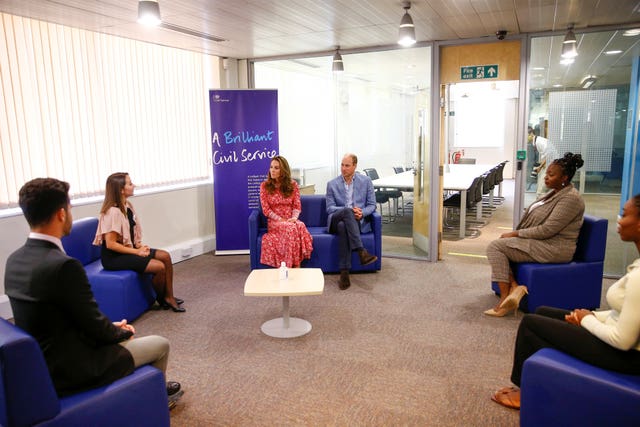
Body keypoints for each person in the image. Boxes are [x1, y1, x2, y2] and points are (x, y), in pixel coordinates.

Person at [4, 178, 182, 406]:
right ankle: (153, 401)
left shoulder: (14, 260)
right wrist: (120, 332)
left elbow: (58, 317)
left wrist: (111, 328)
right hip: (71, 368)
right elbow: (94, 325)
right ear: (61, 214)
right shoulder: (64, 266)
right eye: (69, 207)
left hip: (40, 362)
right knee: (159, 344)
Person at [491, 194, 640, 410]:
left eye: (625, 215)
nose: (619, 219)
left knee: (531, 324)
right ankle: (546, 379)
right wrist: (594, 316)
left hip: (626, 357)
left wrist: (587, 320)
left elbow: (622, 340)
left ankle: (524, 391)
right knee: (542, 312)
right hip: (618, 338)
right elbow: (625, 312)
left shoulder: (638, 277)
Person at [485, 152, 585, 316]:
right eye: (546, 173)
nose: (546, 177)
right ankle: (515, 288)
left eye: (551, 175)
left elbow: (548, 230)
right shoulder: (555, 192)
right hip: (543, 242)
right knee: (499, 246)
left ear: (564, 178)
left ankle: (506, 297)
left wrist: (516, 234)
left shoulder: (570, 199)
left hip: (554, 248)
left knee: (496, 247)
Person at [93, 172, 185, 312]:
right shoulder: (112, 212)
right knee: (159, 267)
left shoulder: (127, 205)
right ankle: (162, 299)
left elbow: (131, 232)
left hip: (128, 250)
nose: (134, 185)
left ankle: (169, 296)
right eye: (130, 183)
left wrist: (140, 246)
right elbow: (111, 244)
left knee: (165, 255)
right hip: (114, 258)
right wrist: (137, 252)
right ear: (121, 190)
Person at [326, 153, 379, 290]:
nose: (343, 168)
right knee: (347, 212)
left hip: (354, 221)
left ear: (355, 166)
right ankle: (361, 251)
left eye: (347, 165)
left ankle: (344, 273)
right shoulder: (332, 184)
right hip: (334, 221)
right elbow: (330, 208)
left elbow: (372, 205)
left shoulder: (366, 181)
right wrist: (347, 210)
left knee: (344, 226)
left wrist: (362, 213)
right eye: (342, 165)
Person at [259, 155, 313, 268]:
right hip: (275, 222)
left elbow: (297, 205)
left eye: (276, 168)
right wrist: (280, 219)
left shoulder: (293, 185)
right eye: (271, 167)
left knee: (300, 225)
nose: (272, 170)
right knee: (291, 228)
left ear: (283, 170)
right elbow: (266, 210)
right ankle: (294, 266)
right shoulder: (264, 186)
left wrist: (294, 218)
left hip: (290, 219)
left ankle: (294, 265)